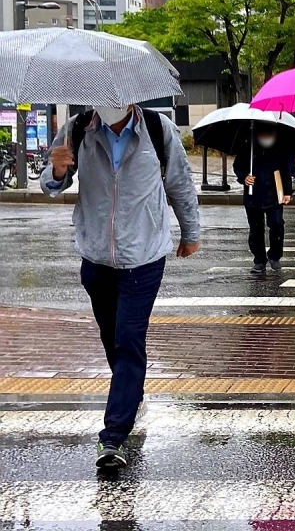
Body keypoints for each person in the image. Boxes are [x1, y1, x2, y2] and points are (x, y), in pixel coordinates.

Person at [40, 105, 200, 470]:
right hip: (95, 256)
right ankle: (130, 390)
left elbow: (178, 182)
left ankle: (113, 436)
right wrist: (59, 168)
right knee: (113, 336)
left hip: (144, 255)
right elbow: (51, 185)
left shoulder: (158, 130)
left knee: (129, 337)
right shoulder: (78, 127)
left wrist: (190, 232)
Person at [233, 124, 294, 273]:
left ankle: (275, 255)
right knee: (255, 228)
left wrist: (287, 192)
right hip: (253, 195)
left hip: (274, 193)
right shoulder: (248, 147)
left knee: (277, 223)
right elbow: (238, 166)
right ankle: (259, 259)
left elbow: (286, 171)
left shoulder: (279, 148)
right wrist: (244, 177)